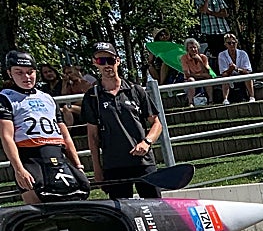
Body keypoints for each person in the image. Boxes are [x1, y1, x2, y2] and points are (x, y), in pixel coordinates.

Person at [0, 50, 90, 204]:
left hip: (57, 154)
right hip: (30, 157)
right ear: (9, 73)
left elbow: (65, 135)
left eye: (30, 72)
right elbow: (7, 136)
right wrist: (19, 169)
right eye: (19, 72)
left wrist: (77, 165)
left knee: (80, 193)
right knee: (39, 210)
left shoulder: (47, 98)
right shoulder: (5, 97)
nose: (26, 77)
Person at [81, 41, 162, 199]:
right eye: (100, 61)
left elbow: (156, 123)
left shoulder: (135, 90)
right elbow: (92, 136)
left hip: (143, 162)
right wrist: (97, 169)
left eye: (110, 60)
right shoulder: (92, 96)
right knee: (121, 211)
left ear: (118, 61)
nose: (106, 65)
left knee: (156, 206)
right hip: (114, 164)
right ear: (95, 63)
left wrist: (147, 142)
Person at [194, 0, 232, 67]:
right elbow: (203, 10)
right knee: (215, 53)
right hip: (209, 30)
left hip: (222, 29)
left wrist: (211, 13)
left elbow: (225, 13)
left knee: (225, 51)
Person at [216, 33, 255, 104]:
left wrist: (237, 69)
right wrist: (230, 69)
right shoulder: (221, 55)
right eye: (229, 43)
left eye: (233, 43)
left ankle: (252, 97)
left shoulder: (243, 54)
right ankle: (225, 99)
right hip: (229, 76)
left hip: (241, 75)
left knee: (248, 77)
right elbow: (223, 74)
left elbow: (248, 71)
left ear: (236, 43)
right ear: (225, 44)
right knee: (224, 79)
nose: (231, 45)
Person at [180, 37, 214, 106]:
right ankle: (190, 102)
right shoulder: (184, 58)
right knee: (191, 80)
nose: (193, 49)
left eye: (194, 47)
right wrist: (202, 75)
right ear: (187, 49)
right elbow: (187, 74)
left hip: (202, 78)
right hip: (190, 79)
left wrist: (200, 61)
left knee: (208, 79)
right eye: (191, 48)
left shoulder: (203, 57)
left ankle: (211, 101)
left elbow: (207, 72)